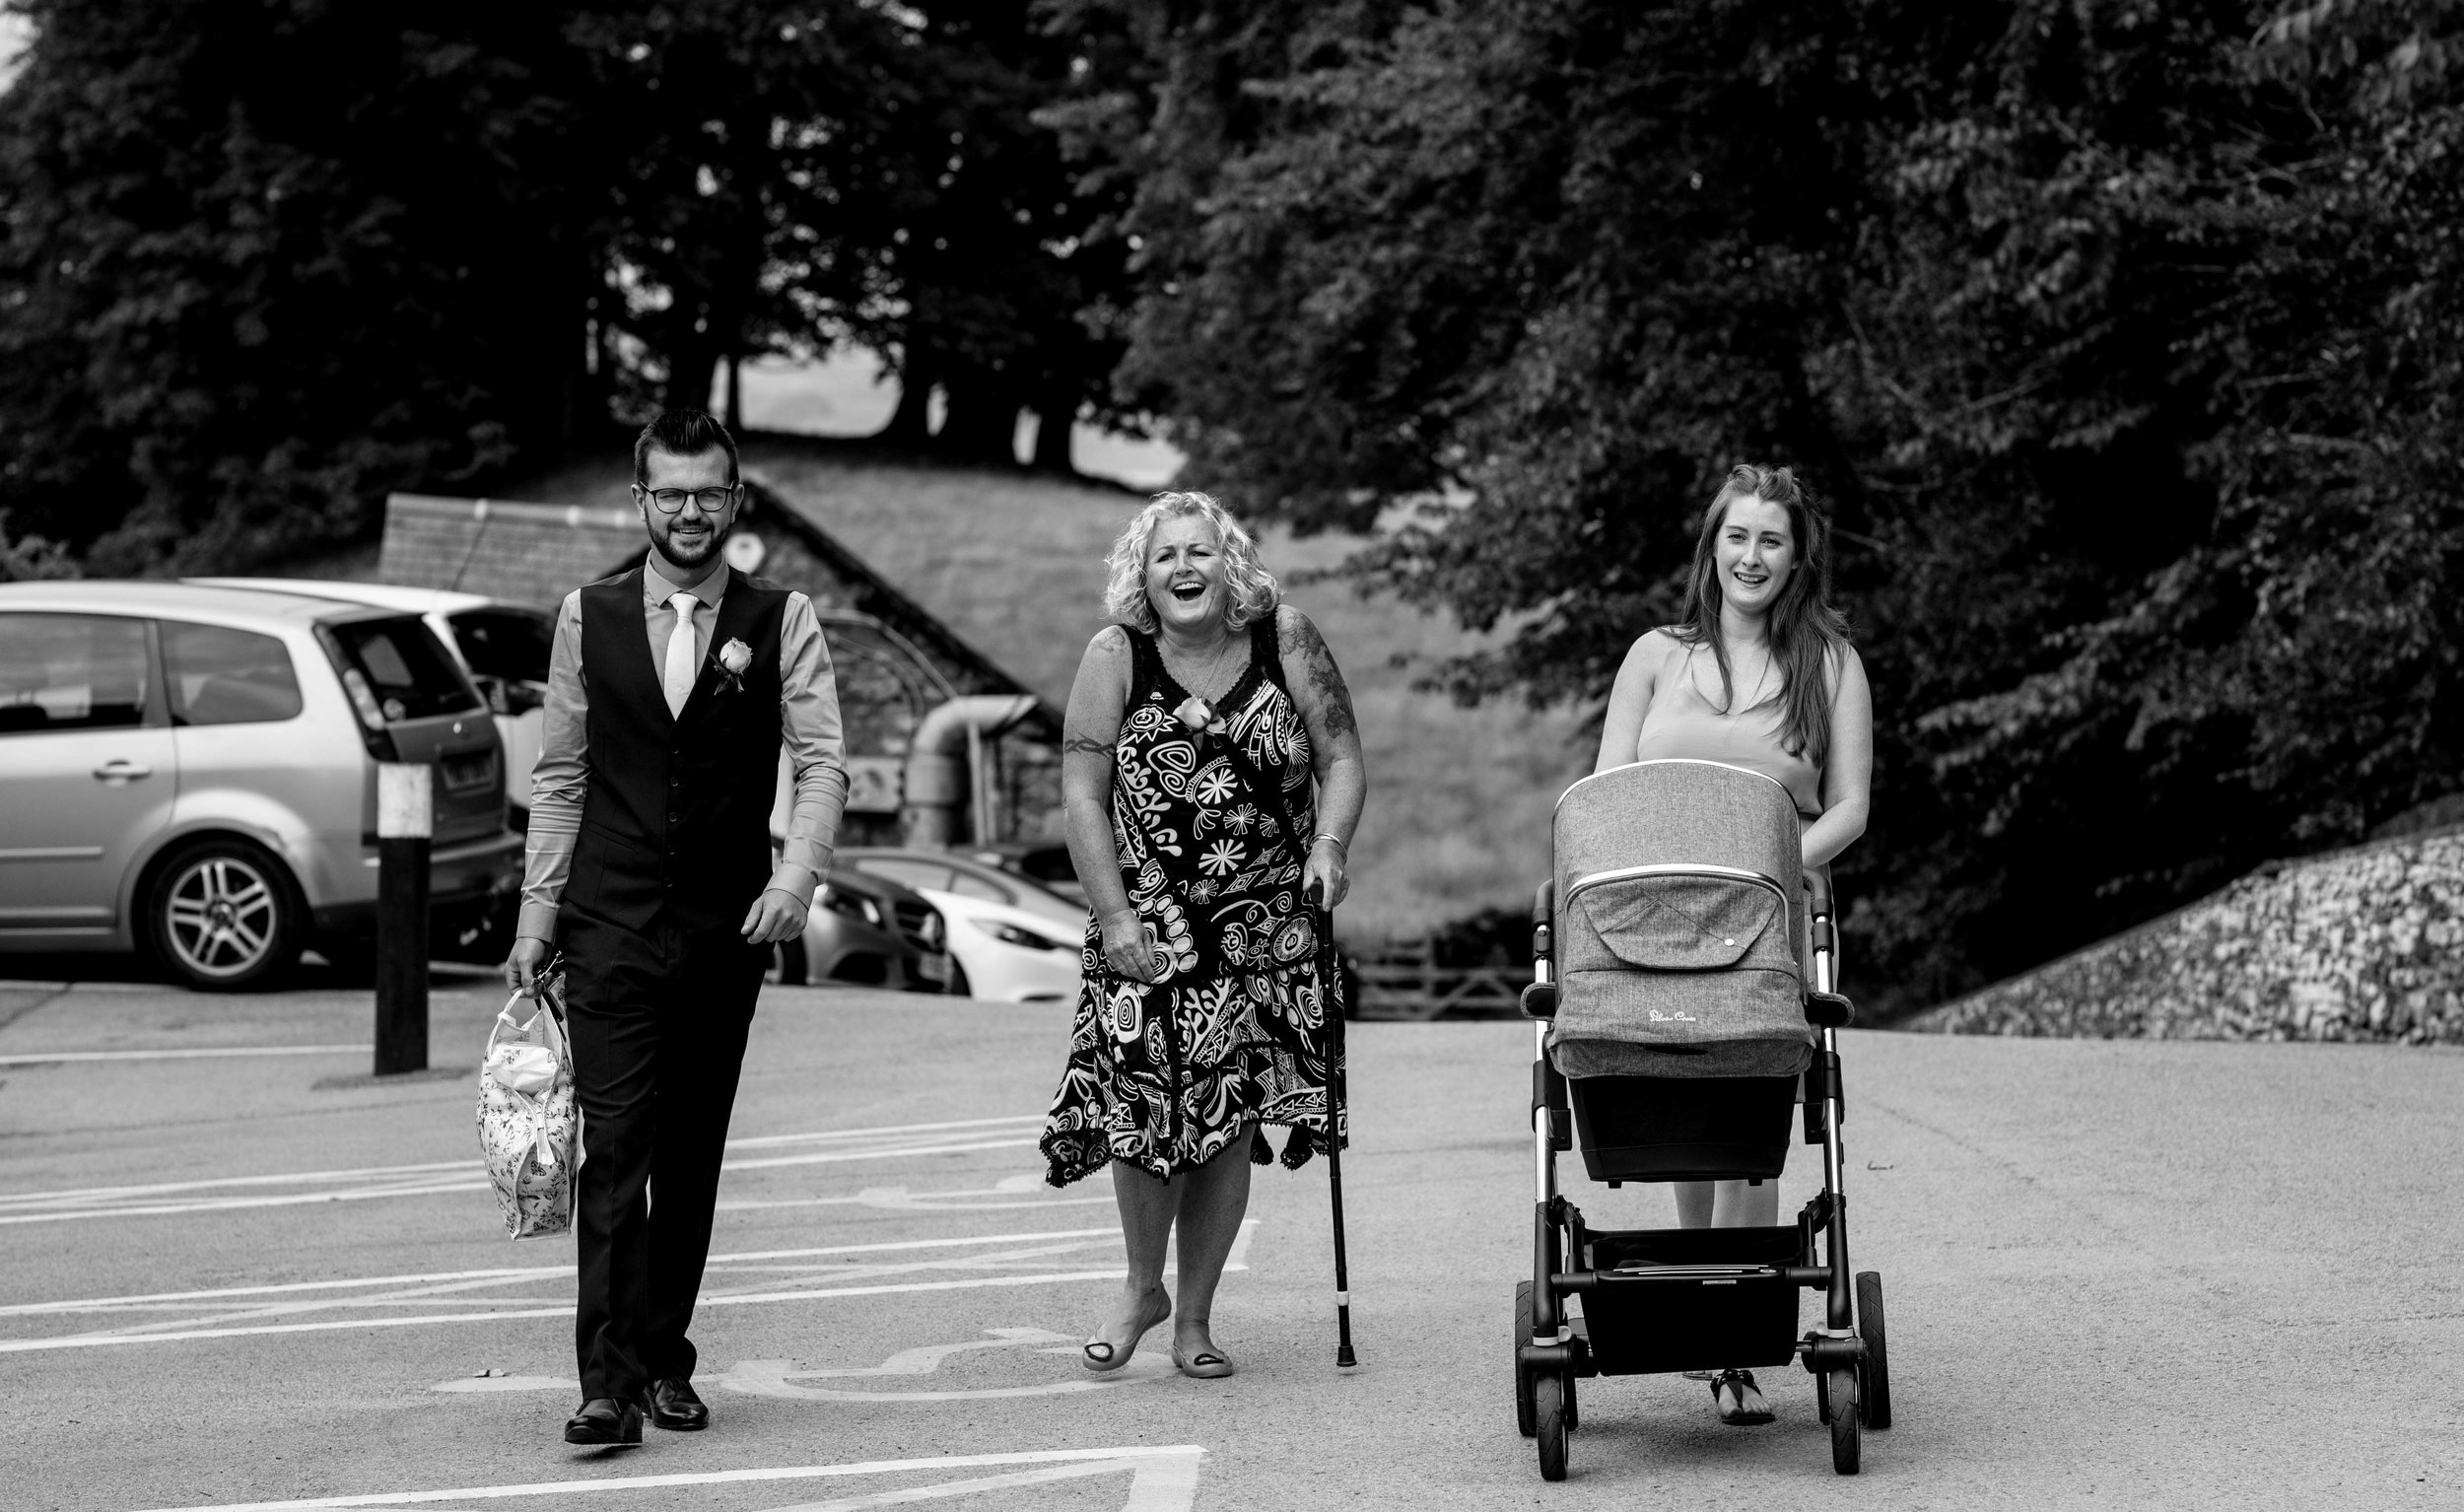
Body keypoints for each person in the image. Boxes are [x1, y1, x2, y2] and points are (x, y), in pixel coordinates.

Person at [505, 410, 849, 1447]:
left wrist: (795, 879)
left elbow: (825, 761)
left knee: (689, 1154)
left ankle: (665, 1356)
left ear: (734, 502)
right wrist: (538, 912)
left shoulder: (782, 616)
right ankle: (606, 1383)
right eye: (671, 494)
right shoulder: (587, 614)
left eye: (709, 493)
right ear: (641, 501)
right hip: (606, 921)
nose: (690, 511)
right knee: (616, 1150)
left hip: (723, 927)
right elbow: (561, 773)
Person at [1040, 490, 1368, 1380]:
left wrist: (1330, 845)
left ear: (1231, 563)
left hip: (1266, 924)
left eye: (1200, 552)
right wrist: (1113, 917)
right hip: (1148, 925)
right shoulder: (1116, 655)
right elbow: (1081, 796)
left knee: (1227, 1122)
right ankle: (1143, 1288)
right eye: (1164, 557)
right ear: (1141, 577)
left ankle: (1194, 1319)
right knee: (1146, 1115)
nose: (1184, 569)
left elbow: (1341, 756)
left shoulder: (1284, 637)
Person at [1591, 462, 1873, 1427]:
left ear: (1798, 557)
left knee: (1746, 1108)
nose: (1751, 556)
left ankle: (1735, 1337)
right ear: (1711, 548)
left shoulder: (1827, 662)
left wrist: (1774, 860)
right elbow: (1603, 795)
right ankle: (1701, 1316)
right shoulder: (1655, 656)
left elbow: (1851, 806)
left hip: (1767, 904)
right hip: (1657, 903)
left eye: (1772, 540)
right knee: (1675, 1094)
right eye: (1736, 537)